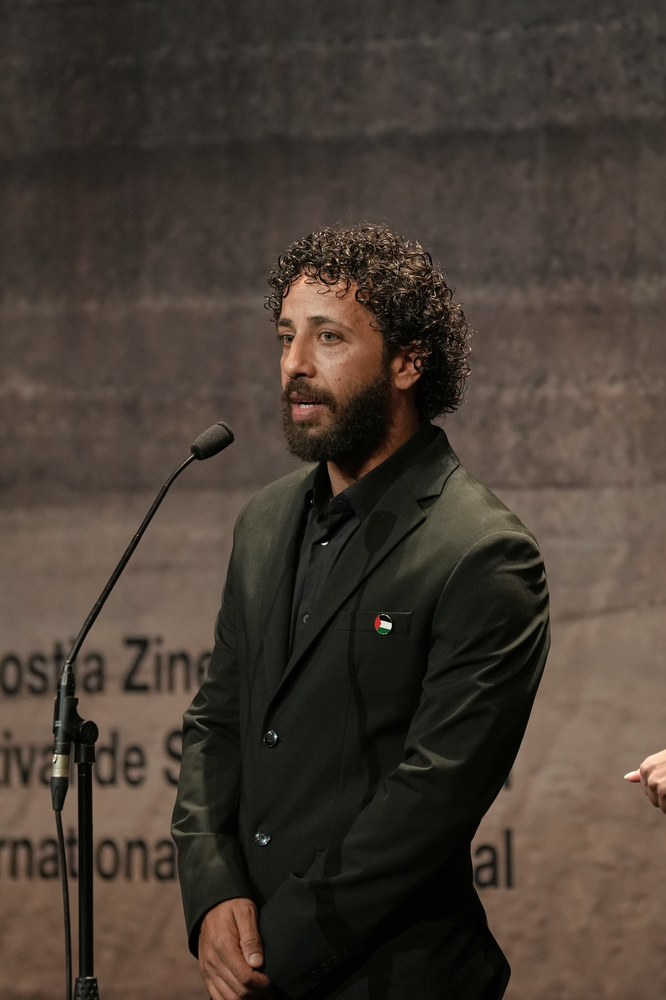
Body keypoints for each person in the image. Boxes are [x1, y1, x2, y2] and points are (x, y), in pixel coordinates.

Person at [172, 224, 550, 1000]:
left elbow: (427, 804)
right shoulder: (264, 521)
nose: (294, 365)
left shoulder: (483, 551)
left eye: (328, 337)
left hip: (394, 976)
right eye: (286, 337)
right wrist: (212, 894)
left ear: (409, 362)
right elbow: (217, 724)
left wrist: (268, 953)